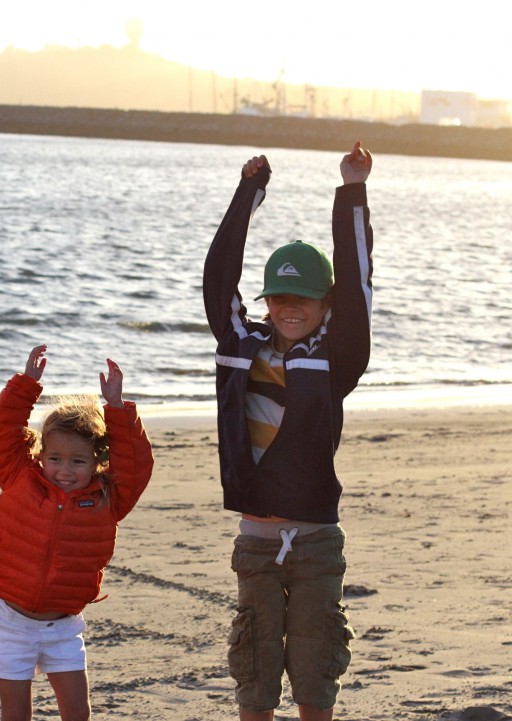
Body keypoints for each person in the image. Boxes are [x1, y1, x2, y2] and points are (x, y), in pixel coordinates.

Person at [203, 141, 373, 721]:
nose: (288, 307)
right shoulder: (239, 346)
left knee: (314, 668)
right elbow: (218, 277)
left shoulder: (336, 360)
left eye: (302, 298)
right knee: (254, 668)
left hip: (317, 542)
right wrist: (249, 192)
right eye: (278, 296)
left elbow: (357, 283)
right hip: (256, 540)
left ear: (326, 304)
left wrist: (351, 190)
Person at [0, 344, 154, 721]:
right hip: (11, 623)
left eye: (77, 461)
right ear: (40, 455)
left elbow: (134, 463)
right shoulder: (19, 478)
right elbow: (3, 433)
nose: (64, 470)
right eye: (54, 459)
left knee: (78, 713)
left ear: (97, 462)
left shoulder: (108, 499)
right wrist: (25, 386)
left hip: (63, 628)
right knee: (15, 715)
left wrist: (116, 408)